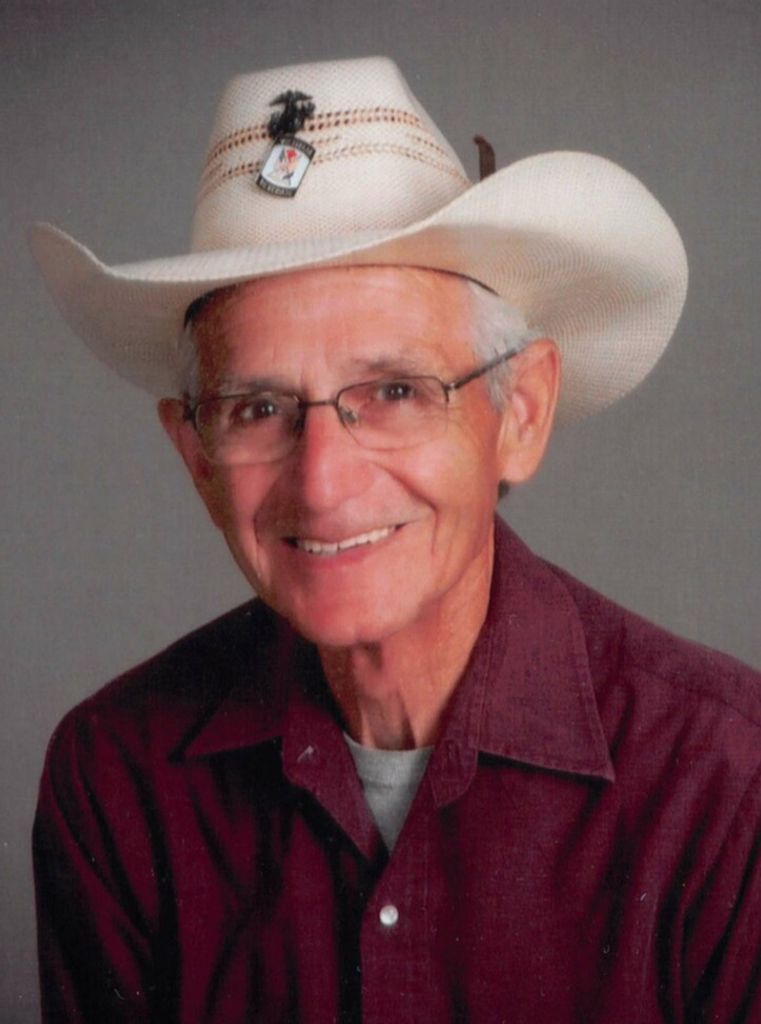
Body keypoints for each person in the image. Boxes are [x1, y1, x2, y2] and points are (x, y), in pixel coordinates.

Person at [30, 56, 761, 1023]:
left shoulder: (727, 782)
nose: (323, 483)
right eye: (258, 408)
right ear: (196, 455)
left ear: (521, 412)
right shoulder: (116, 777)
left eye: (395, 392)